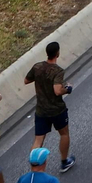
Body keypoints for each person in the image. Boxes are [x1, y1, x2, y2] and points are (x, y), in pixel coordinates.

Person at [25, 41, 75, 172]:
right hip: (57, 110)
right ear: (57, 53)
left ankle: (34, 168)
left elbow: (26, 80)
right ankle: (64, 162)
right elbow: (57, 90)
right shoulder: (58, 71)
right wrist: (68, 89)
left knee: (38, 139)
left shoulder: (37, 67)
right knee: (64, 134)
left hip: (41, 110)